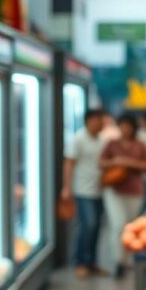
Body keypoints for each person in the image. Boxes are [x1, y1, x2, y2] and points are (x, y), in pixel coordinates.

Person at [99, 114, 146, 277]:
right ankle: (118, 260)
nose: (125, 129)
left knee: (129, 225)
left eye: (128, 126)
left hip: (134, 190)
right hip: (114, 189)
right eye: (122, 125)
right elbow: (101, 162)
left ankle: (128, 258)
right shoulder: (111, 144)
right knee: (118, 225)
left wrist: (130, 163)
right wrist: (117, 161)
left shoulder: (140, 145)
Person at [60, 109, 107, 278]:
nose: (102, 123)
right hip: (82, 189)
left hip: (99, 190)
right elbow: (69, 163)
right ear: (89, 121)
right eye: (98, 120)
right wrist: (66, 188)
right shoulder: (78, 139)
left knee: (96, 228)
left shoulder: (102, 140)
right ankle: (80, 262)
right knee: (88, 225)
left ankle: (92, 263)